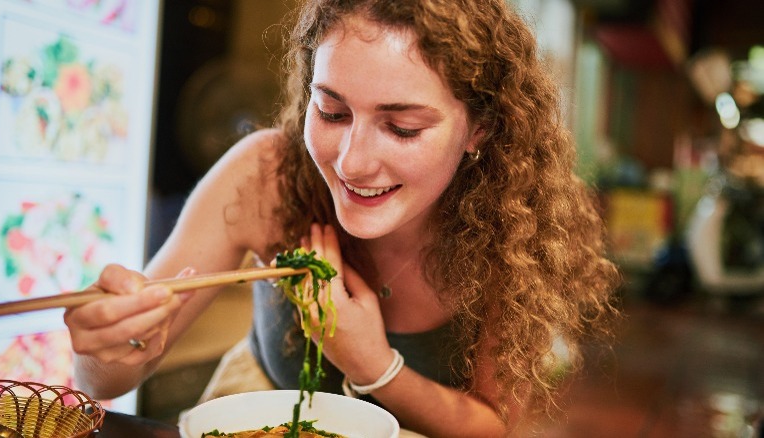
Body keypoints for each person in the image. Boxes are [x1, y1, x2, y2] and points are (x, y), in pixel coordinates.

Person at [63, 0, 621, 436]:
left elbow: (492, 426)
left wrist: (372, 364)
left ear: (480, 129)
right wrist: (111, 347)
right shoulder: (265, 175)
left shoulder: (513, 226)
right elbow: (107, 379)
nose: (351, 163)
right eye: (331, 112)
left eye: (402, 128)